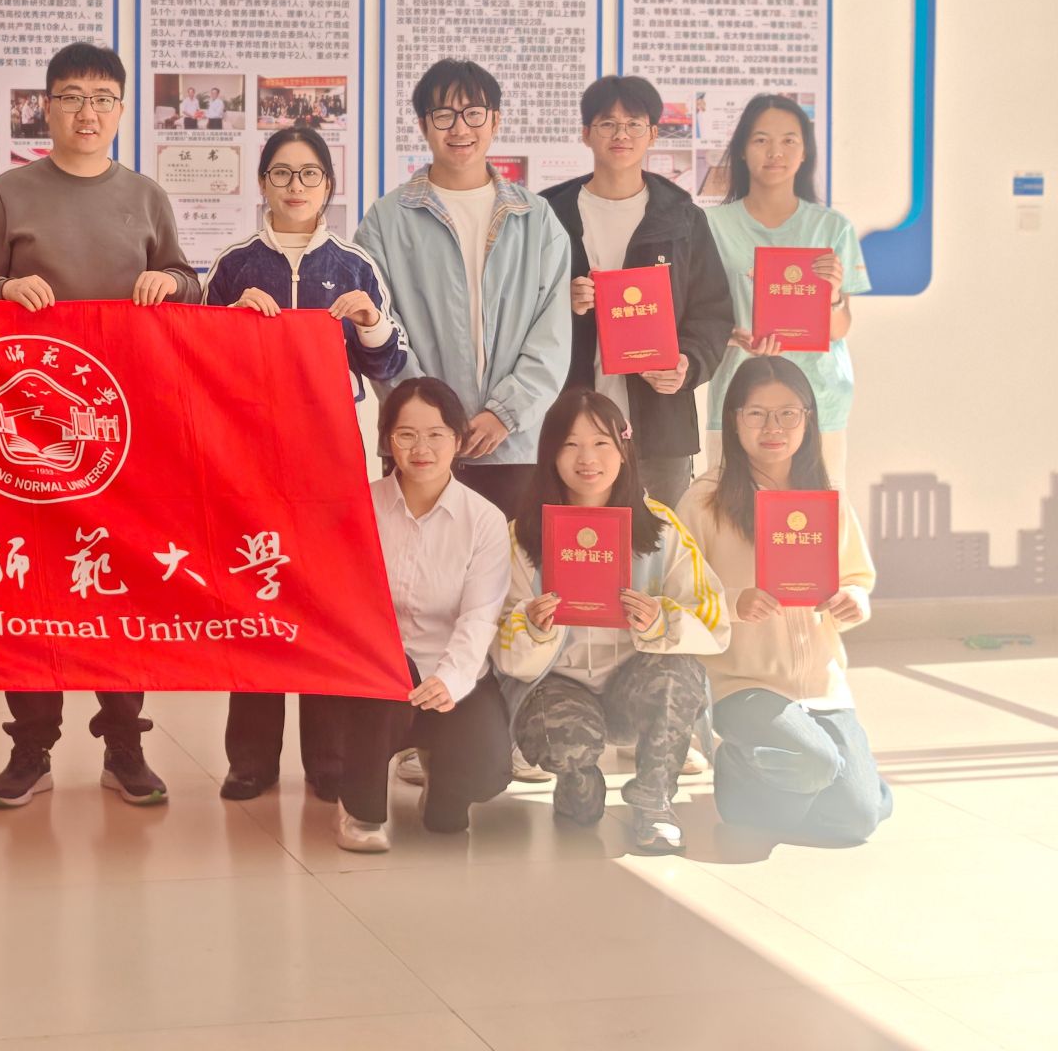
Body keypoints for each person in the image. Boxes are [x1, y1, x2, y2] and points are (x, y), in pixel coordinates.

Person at [0, 41, 200, 808]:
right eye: (70, 97)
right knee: (33, 587)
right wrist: (5, 288)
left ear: (121, 110)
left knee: (117, 585)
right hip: (28, 435)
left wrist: (170, 282)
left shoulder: (146, 195)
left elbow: (190, 284)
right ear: (46, 107)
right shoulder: (9, 192)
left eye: (101, 98)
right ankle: (31, 748)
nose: (86, 112)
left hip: (123, 429)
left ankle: (124, 744)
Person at [205, 127, 410, 803]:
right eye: (283, 173)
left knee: (324, 603)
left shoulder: (352, 264)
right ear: (263, 183)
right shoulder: (237, 263)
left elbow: (389, 361)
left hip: (330, 455)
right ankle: (250, 760)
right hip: (249, 456)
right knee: (255, 593)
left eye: (310, 174)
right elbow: (197, 358)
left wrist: (369, 319)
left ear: (328, 186)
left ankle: (328, 759)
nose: (296, 187)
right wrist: (230, 319)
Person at [495, 388, 730, 855]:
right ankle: (579, 782)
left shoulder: (660, 527)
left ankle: (654, 798)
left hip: (633, 683)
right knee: (570, 771)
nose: (588, 459)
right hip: (558, 684)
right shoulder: (522, 536)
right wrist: (533, 628)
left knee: (678, 675)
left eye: (601, 443)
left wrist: (660, 621)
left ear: (624, 449)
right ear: (550, 455)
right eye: (570, 444)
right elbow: (503, 648)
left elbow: (714, 621)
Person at [677, 358, 891, 843]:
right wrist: (734, 602)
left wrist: (854, 599)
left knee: (858, 820)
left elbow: (857, 577)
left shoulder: (826, 498)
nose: (773, 427)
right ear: (734, 419)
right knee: (816, 763)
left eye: (788, 413)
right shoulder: (704, 499)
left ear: (808, 419)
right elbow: (677, 595)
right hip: (742, 686)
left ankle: (792, 789)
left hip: (823, 685)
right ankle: (744, 767)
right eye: (757, 414)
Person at [355, 59, 571, 520]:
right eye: (443, 115)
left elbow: (552, 333)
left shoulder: (536, 219)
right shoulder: (385, 221)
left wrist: (505, 413)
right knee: (411, 562)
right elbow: (376, 331)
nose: (460, 128)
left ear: (495, 121)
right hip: (417, 446)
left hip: (511, 445)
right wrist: (429, 423)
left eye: (473, 113)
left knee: (510, 564)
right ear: (423, 125)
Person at [325, 377, 513, 851]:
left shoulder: (484, 520)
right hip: (376, 671)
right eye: (406, 434)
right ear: (388, 440)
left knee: (477, 782)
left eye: (436, 434)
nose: (421, 448)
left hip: (450, 671)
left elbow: (479, 616)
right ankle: (361, 809)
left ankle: (440, 772)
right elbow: (341, 600)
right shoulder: (360, 507)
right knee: (385, 684)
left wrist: (450, 679)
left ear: (458, 439)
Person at [540, 75, 733, 508]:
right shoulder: (549, 214)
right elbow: (515, 306)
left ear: (653, 134)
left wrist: (687, 364)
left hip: (660, 426)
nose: (621, 134)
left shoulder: (682, 218)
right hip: (569, 421)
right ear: (585, 133)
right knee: (570, 538)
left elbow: (713, 313)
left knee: (660, 540)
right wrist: (560, 302)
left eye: (634, 124)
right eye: (607, 124)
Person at [703, 94, 869, 487]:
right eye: (761, 140)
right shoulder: (710, 225)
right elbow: (696, 313)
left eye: (789, 140)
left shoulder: (832, 228)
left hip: (816, 399)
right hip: (739, 398)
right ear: (741, 150)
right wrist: (727, 334)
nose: (775, 152)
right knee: (732, 512)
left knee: (813, 517)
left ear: (805, 151)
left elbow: (839, 329)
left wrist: (832, 296)